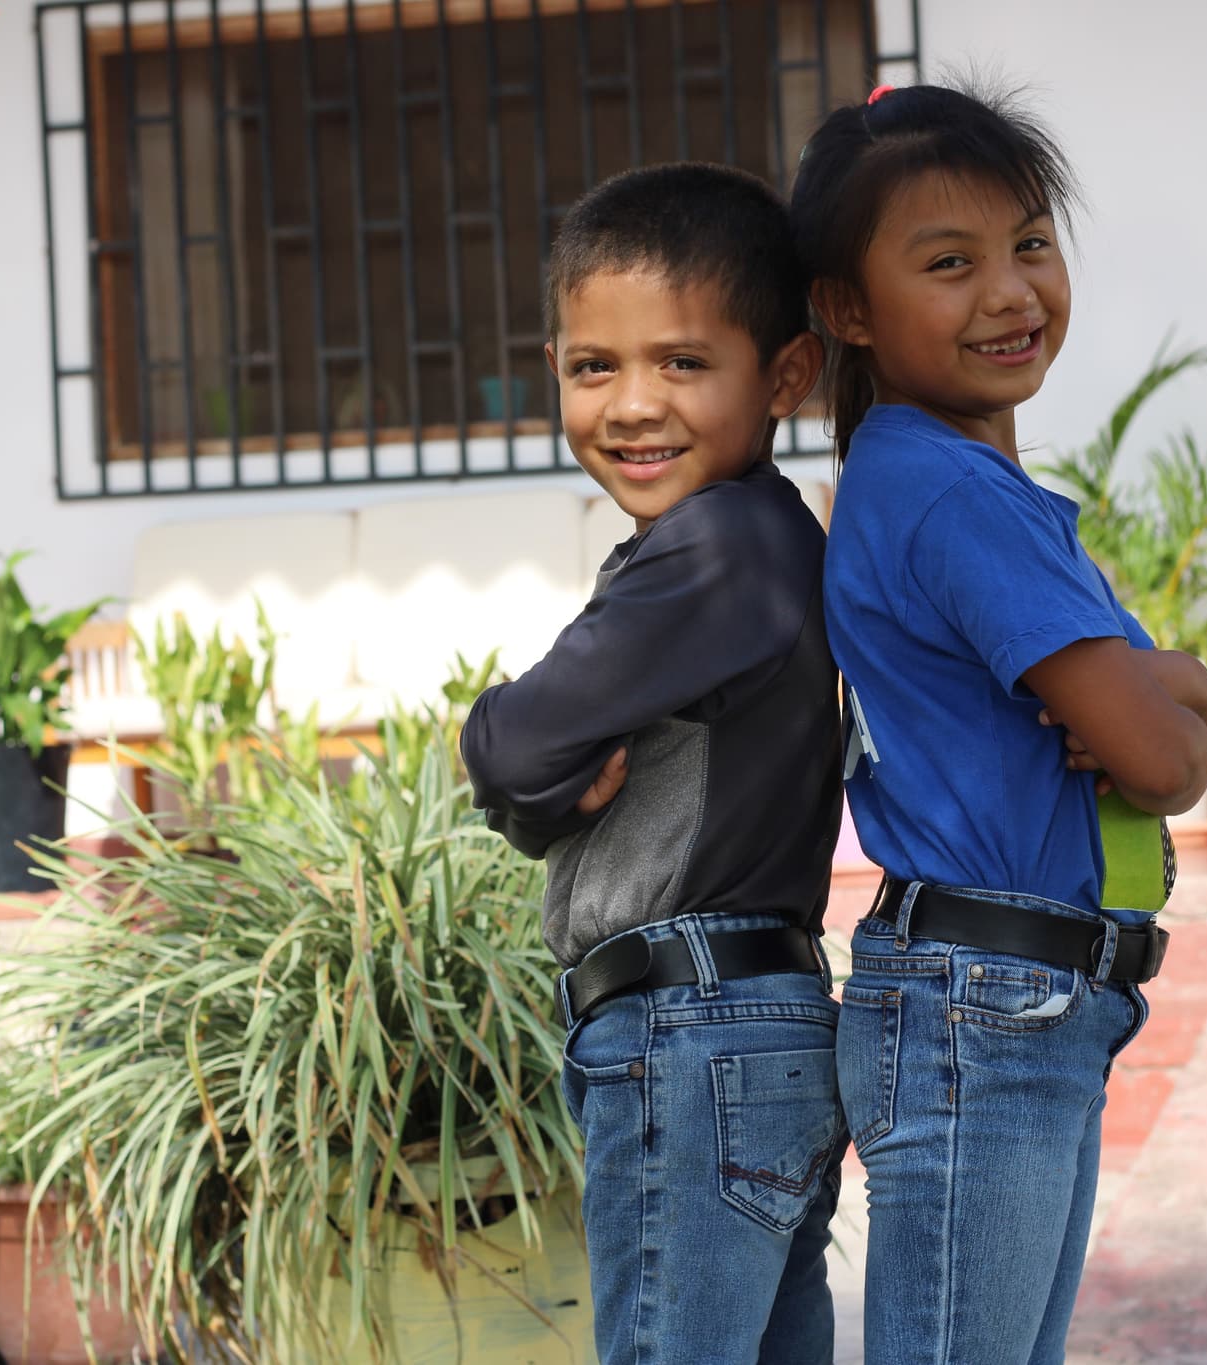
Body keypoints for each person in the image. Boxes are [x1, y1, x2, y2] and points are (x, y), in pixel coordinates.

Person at [790, 84, 1207, 1365]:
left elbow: (1151, 718)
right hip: (988, 1010)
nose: (1008, 292)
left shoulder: (937, 480)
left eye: (1030, 243)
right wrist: (1184, 696)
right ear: (847, 309)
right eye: (949, 264)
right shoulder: (948, 497)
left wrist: (1175, 686)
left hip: (1016, 1002)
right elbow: (1158, 757)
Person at [460, 161, 847, 1365]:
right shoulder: (753, 537)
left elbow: (519, 746)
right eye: (593, 367)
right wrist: (533, 795)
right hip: (753, 1030)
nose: (632, 405)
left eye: (681, 363)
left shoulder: (718, 547)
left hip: (689, 1039)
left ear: (784, 373)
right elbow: (539, 789)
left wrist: (496, 746)